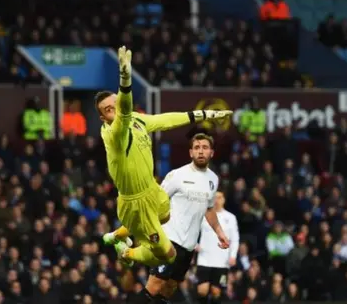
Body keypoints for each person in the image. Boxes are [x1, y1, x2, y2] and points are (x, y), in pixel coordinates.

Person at [97, 46, 233, 270]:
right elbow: (124, 110)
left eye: (115, 105)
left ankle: (116, 235)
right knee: (168, 254)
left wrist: (204, 115)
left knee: (165, 214)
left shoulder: (137, 121)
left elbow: (167, 119)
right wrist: (125, 78)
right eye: (108, 109)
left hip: (152, 189)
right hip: (135, 202)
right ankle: (126, 252)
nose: (115, 110)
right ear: (103, 116)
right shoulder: (114, 133)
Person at [143, 133, 230, 304]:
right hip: (169, 240)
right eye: (196, 148)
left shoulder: (213, 179)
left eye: (205, 148)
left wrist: (219, 231)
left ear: (211, 153)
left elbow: (209, 208)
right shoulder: (177, 175)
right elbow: (156, 202)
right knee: (154, 286)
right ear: (190, 152)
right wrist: (150, 232)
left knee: (169, 289)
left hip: (189, 246)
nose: (200, 151)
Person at [195, 191, 240, 304]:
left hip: (222, 261)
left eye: (219, 197)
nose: (217, 200)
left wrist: (233, 256)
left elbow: (235, 239)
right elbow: (193, 230)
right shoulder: (204, 215)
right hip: (204, 259)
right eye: (215, 198)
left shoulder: (230, 217)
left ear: (224, 199)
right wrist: (194, 245)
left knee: (216, 291)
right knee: (202, 290)